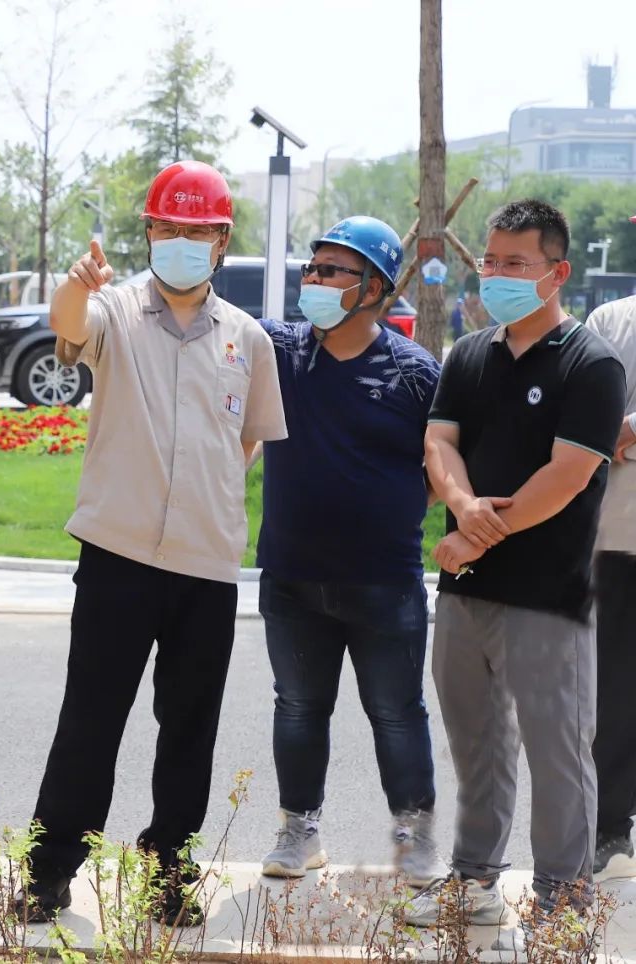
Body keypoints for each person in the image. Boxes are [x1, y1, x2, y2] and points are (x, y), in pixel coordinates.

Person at [17, 160, 286, 926]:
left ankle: (170, 867)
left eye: (196, 230)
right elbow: (71, 326)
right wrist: (77, 285)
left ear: (221, 240)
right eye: (167, 227)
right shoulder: (115, 312)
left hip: (205, 565)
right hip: (118, 557)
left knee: (190, 730)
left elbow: (247, 440)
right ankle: (49, 869)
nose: (180, 241)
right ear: (148, 233)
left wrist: (200, 492)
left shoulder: (247, 339)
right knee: (91, 719)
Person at [407, 199, 626, 943]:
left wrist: (476, 536)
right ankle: (474, 880)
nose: (495, 274)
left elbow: (568, 475)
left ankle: (563, 900)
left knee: (558, 751)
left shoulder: (591, 364)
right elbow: (440, 444)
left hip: (548, 595)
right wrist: (463, 507)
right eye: (490, 261)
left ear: (557, 273)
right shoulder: (470, 354)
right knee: (477, 748)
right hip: (466, 593)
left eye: (515, 263)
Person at [256, 217, 444, 885]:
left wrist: (393, 510)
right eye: (312, 267)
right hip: (291, 578)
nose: (313, 279)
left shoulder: (416, 372)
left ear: (373, 289)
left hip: (385, 584)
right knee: (298, 708)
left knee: (397, 714)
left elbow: (444, 465)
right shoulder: (279, 350)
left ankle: (415, 840)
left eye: (332, 270)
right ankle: (298, 832)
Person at [582, 209, 636, 883]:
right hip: (616, 531)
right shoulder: (609, 321)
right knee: (615, 685)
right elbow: (587, 409)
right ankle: (611, 828)